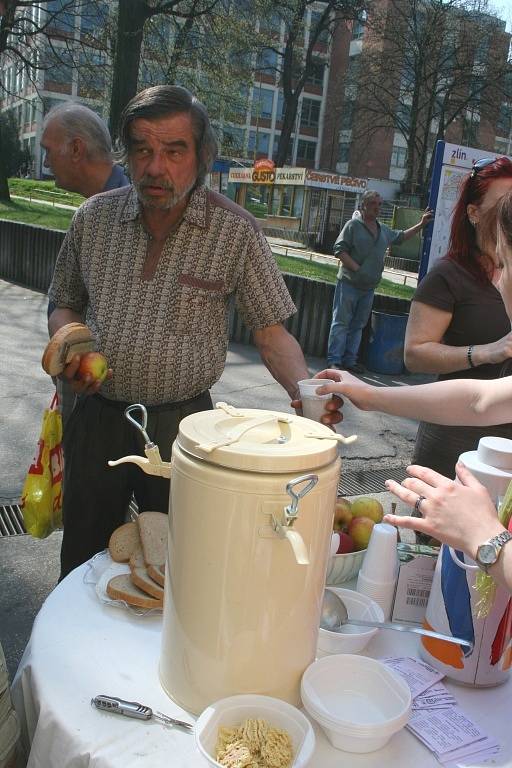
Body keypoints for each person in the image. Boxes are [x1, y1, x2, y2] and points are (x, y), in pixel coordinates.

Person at [46, 85, 340, 579]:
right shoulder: (92, 219)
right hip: (96, 420)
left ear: (202, 157)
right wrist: (72, 342)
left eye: (174, 150)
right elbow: (63, 301)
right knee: (82, 562)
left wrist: (306, 393)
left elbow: (272, 334)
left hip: (186, 429)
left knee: (180, 567)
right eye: (142, 149)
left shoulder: (235, 232)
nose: (155, 167)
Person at [405, 156, 512, 478]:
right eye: (502, 206)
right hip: (455, 442)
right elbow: (415, 354)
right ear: (474, 213)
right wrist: (483, 352)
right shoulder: (449, 276)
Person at [42, 103, 131, 428]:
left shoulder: (130, 214)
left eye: (48, 151)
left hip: (105, 403)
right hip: (83, 381)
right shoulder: (94, 212)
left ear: (76, 149)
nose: (46, 161)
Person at [327, 190, 432, 374]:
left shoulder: (383, 229)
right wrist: (357, 269)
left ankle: (350, 361)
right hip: (349, 284)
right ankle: (334, 361)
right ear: (364, 206)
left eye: (379, 204)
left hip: (368, 288)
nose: (377, 207)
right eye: (373, 203)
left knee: (358, 325)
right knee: (341, 323)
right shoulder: (353, 225)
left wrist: (421, 225)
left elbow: (400, 237)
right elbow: (339, 250)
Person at [41, 102, 129, 198]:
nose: (45, 163)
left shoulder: (127, 207)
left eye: (48, 151)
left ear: (76, 149)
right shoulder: (115, 200)